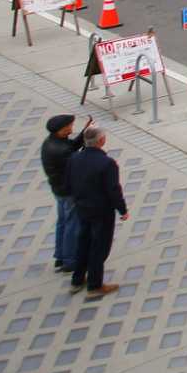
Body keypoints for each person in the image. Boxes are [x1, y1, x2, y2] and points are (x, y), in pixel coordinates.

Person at [65, 126, 127, 297]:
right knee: (99, 247)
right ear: (101, 141)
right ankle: (94, 285)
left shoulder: (74, 158)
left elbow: (68, 183)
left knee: (83, 243)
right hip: (101, 211)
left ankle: (77, 280)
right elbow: (113, 190)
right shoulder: (107, 163)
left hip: (82, 208)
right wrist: (122, 209)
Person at [38, 114, 86, 275]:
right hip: (68, 191)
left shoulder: (52, 142)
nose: (72, 128)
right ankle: (70, 260)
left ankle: (60, 256)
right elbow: (77, 161)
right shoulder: (61, 150)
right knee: (73, 224)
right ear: (62, 129)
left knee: (63, 222)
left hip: (59, 189)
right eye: (70, 126)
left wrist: (84, 133)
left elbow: (71, 146)